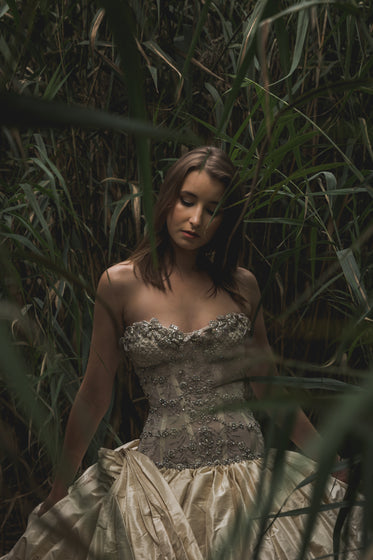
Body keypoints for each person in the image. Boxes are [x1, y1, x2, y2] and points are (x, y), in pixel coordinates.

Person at [3, 146, 361, 559]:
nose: (195, 220)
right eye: (187, 200)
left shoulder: (241, 286)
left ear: (225, 220)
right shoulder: (119, 284)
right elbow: (94, 394)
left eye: (212, 209)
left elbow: (268, 387)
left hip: (248, 477)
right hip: (158, 487)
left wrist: (330, 461)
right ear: (168, 198)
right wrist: (59, 489)